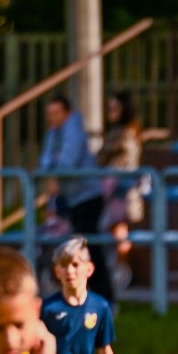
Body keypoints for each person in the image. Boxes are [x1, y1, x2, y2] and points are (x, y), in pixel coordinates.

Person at [38, 95, 112, 303]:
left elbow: (67, 163)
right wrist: (54, 168)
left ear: (66, 113)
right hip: (73, 199)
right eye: (49, 114)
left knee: (89, 249)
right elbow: (45, 162)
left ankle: (105, 298)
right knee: (82, 248)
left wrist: (55, 170)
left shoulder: (75, 130)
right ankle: (92, 297)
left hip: (88, 197)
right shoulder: (55, 133)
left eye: (56, 113)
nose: (52, 118)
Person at [97, 90, 144, 282]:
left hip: (119, 186)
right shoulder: (133, 130)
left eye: (114, 108)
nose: (111, 112)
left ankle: (121, 269)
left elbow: (102, 157)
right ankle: (119, 268)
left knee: (118, 228)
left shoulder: (122, 133)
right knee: (116, 227)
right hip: (123, 185)